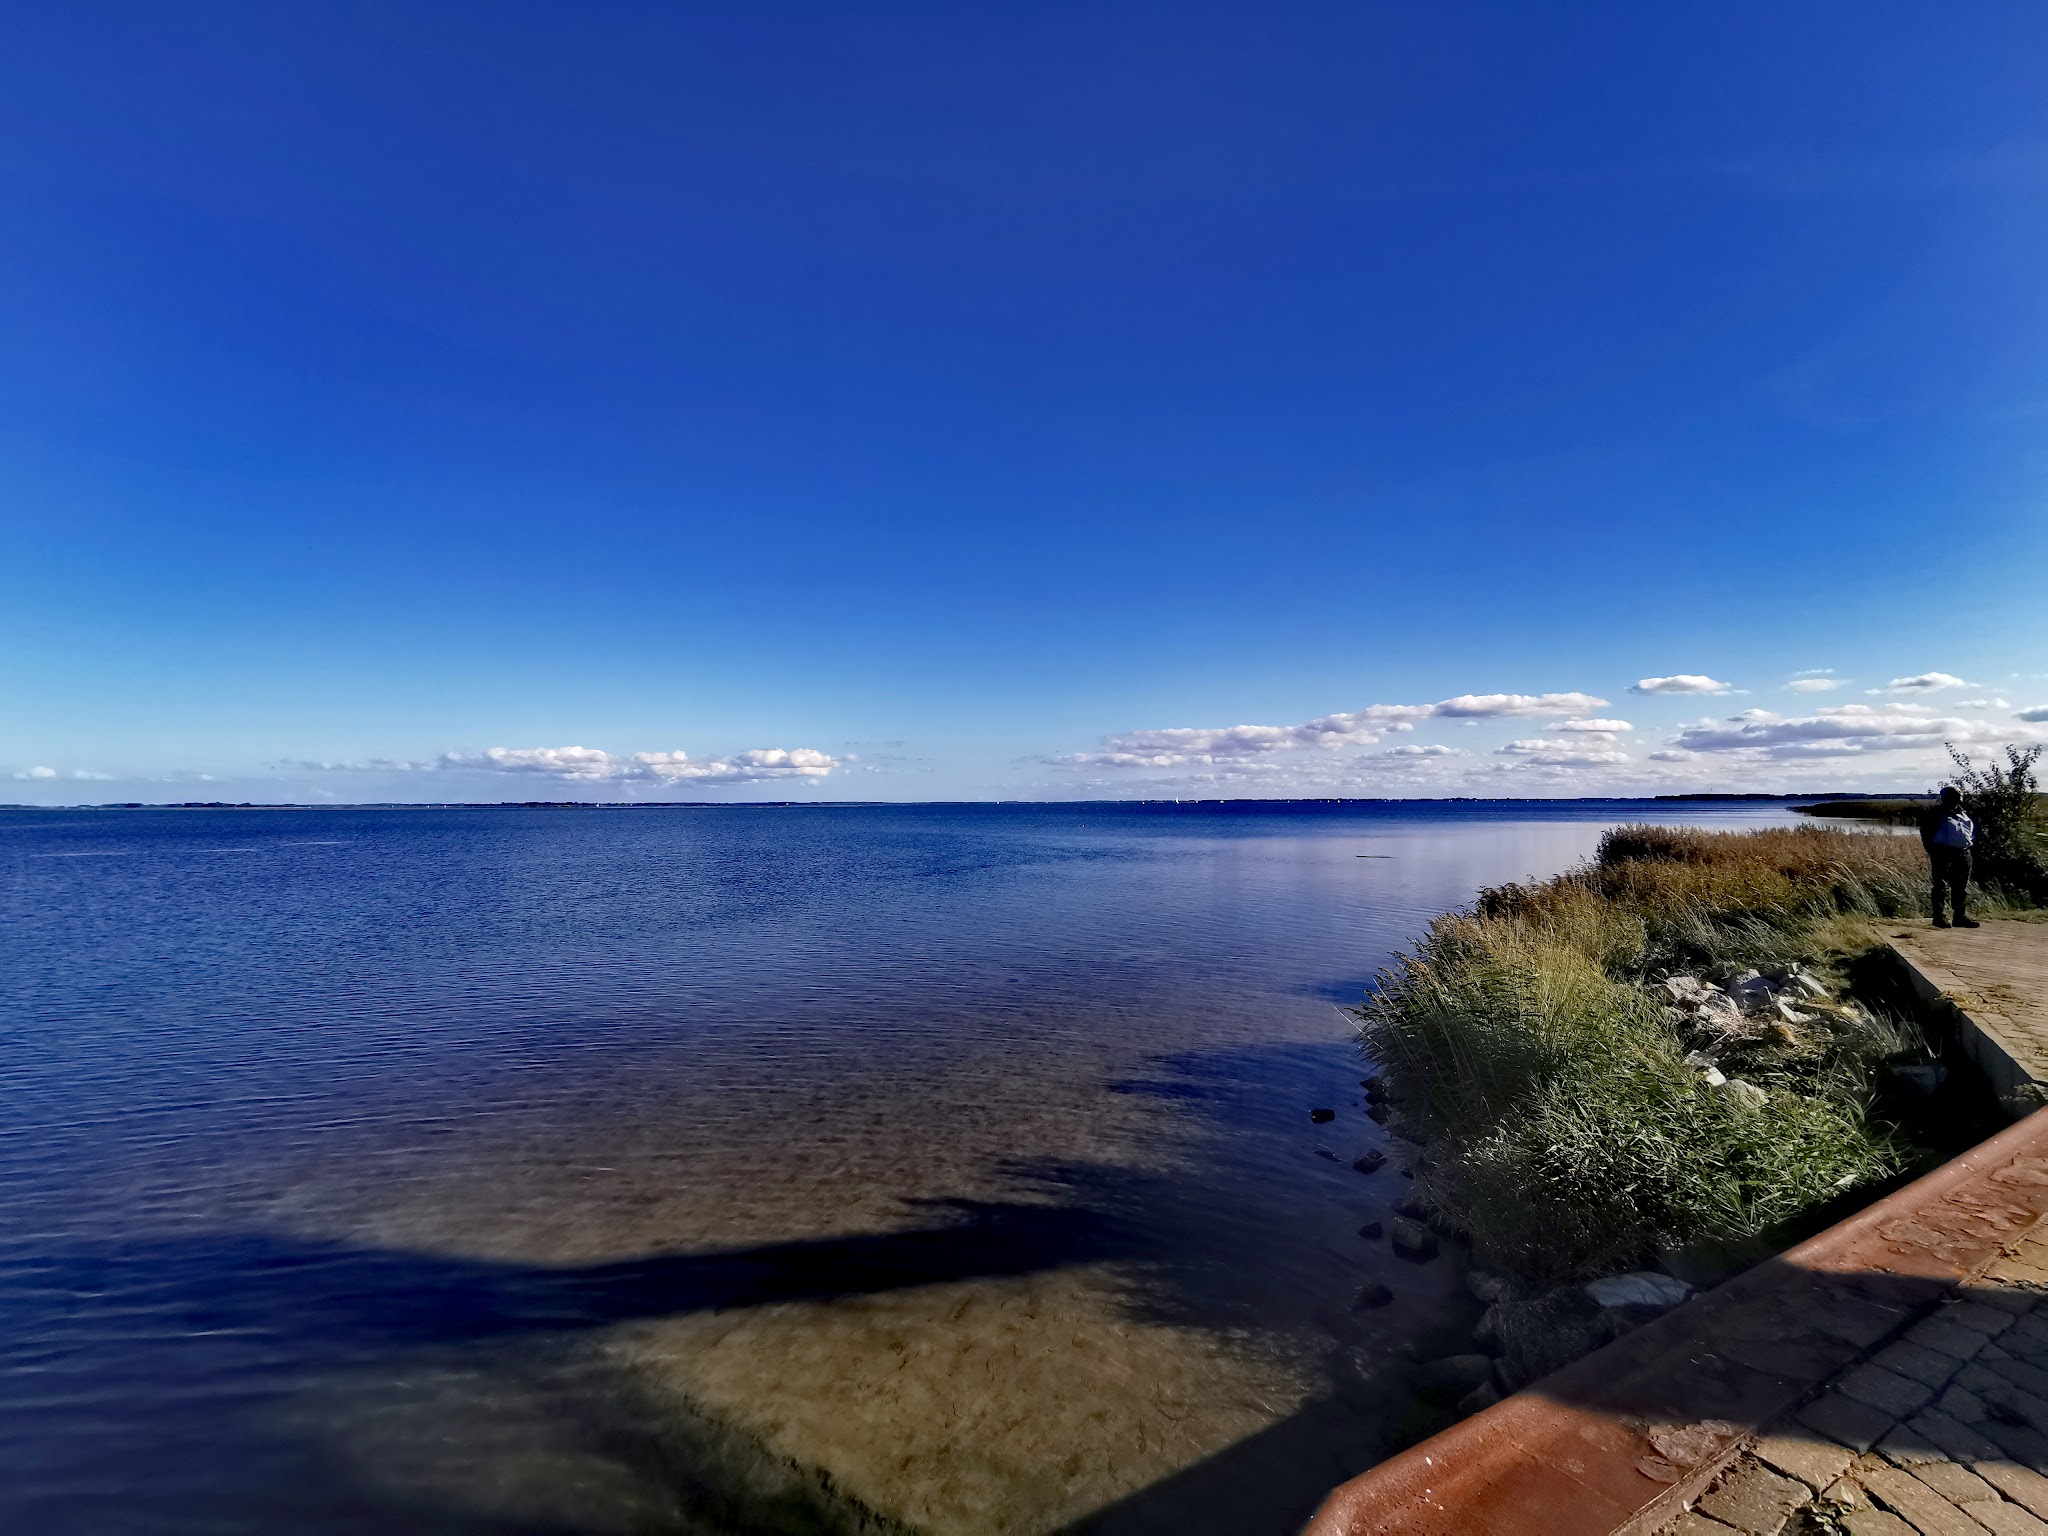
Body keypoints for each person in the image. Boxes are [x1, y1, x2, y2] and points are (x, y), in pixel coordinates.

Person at [1921, 785, 1979, 929]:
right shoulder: (1936, 813)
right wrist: (1932, 851)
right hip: (1943, 852)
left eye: (1959, 794)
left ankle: (1960, 917)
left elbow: (1969, 831)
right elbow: (1926, 833)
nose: (1960, 797)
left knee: (1961, 887)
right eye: (1957, 794)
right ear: (1947, 797)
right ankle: (1939, 917)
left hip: (1963, 852)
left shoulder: (1962, 812)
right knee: (1940, 886)